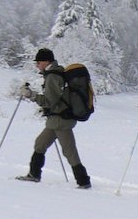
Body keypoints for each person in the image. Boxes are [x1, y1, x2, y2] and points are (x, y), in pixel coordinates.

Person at [17, 48, 91, 189]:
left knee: (69, 151)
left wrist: (30, 95)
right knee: (40, 143)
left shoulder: (52, 77)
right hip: (57, 120)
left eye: (38, 62)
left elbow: (49, 102)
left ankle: (83, 181)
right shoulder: (56, 72)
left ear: (46, 61)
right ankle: (34, 174)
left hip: (61, 120)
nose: (37, 65)